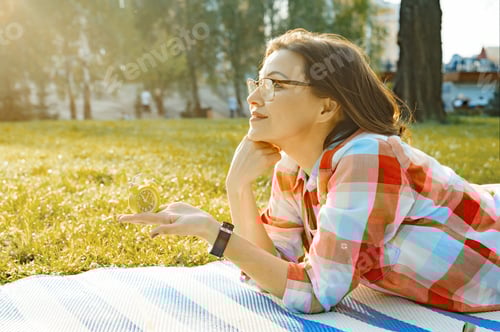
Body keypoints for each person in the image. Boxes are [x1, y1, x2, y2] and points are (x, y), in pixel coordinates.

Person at [118, 29, 500, 314]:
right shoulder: (295, 167)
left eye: (276, 85)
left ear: (325, 108)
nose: (253, 97)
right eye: (257, 83)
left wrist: (213, 234)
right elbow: (272, 269)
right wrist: (237, 187)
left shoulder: (369, 155)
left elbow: (316, 293)